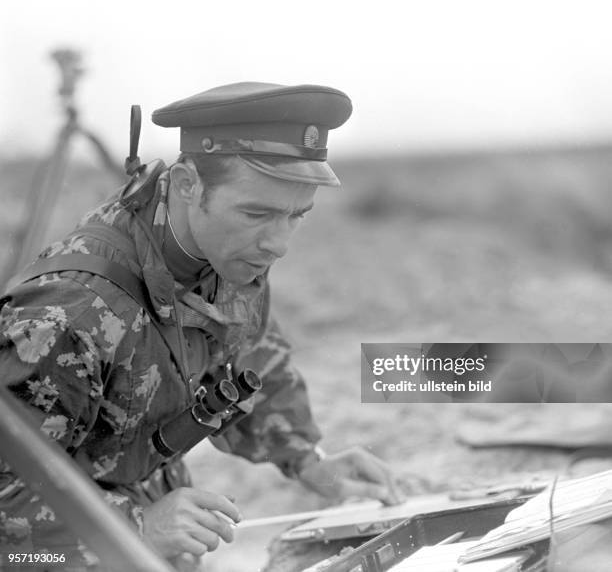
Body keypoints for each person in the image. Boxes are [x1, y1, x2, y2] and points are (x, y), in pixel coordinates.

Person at [0, 82, 403, 570]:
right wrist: (136, 528)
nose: (278, 243)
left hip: (159, 529)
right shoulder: (70, 315)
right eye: (258, 213)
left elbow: (250, 356)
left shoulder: (227, 249)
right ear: (188, 184)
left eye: (296, 216)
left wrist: (308, 458)